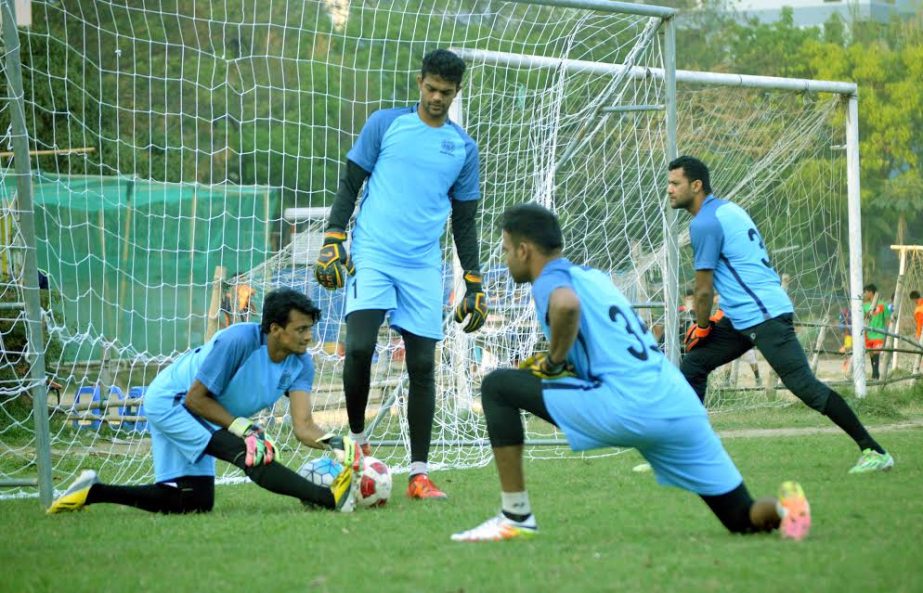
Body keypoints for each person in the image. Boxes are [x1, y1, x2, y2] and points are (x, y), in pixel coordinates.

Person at [451, 204, 810, 542]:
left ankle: (515, 518)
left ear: (525, 250)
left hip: (628, 404)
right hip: (679, 403)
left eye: (505, 250)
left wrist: (555, 361)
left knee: (498, 387)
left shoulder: (549, 279)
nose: (504, 258)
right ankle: (784, 510)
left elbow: (566, 305)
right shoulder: (595, 278)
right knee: (741, 517)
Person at [313, 49, 487, 500]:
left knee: (424, 365)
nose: (436, 98)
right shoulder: (385, 124)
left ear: (456, 92)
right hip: (372, 254)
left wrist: (473, 280)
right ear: (419, 82)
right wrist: (334, 237)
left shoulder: (463, 149)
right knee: (359, 347)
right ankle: (356, 446)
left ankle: (419, 474)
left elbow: (465, 222)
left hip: (422, 267)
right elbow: (350, 183)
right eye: (430, 89)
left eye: (445, 93)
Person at [668, 155, 893, 474]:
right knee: (694, 363)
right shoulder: (729, 209)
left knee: (805, 387)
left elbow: (703, 291)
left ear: (696, 185)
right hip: (746, 315)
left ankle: (874, 450)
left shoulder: (704, 222)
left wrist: (703, 326)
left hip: (764, 316)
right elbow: (739, 274)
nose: (669, 190)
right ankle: (689, 454)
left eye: (675, 183)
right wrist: (719, 319)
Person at [47, 288, 362, 514]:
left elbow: (304, 426)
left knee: (193, 502)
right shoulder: (237, 340)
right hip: (174, 401)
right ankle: (329, 498)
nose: (309, 337)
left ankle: (93, 491)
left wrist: (336, 442)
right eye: (302, 329)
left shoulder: (301, 363)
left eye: (310, 328)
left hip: (205, 413)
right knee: (249, 454)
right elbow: (196, 399)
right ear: (275, 329)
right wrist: (246, 429)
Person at [862, 284, 888, 380]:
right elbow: (863, 318)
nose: (865, 294)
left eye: (866, 292)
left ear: (871, 292)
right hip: (868, 334)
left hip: (879, 333)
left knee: (876, 352)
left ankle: (876, 374)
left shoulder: (883, 305)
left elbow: (887, 319)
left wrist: (885, 332)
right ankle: (874, 373)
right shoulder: (865, 305)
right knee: (871, 354)